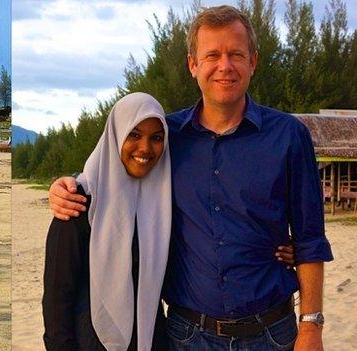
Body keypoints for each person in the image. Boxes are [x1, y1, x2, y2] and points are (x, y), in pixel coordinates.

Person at [48, 5, 332, 351]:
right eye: (212, 55)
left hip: (274, 334)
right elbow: (119, 165)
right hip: (188, 336)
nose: (224, 66)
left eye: (236, 54)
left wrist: (311, 326)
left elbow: (310, 239)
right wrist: (70, 185)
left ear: (253, 61)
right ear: (193, 65)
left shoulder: (289, 136)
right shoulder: (168, 136)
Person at [42, 93, 171, 351]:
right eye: (134, 134)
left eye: (156, 138)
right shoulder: (79, 203)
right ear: (115, 135)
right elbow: (57, 299)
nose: (145, 148)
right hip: (88, 342)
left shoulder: (164, 206)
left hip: (150, 341)